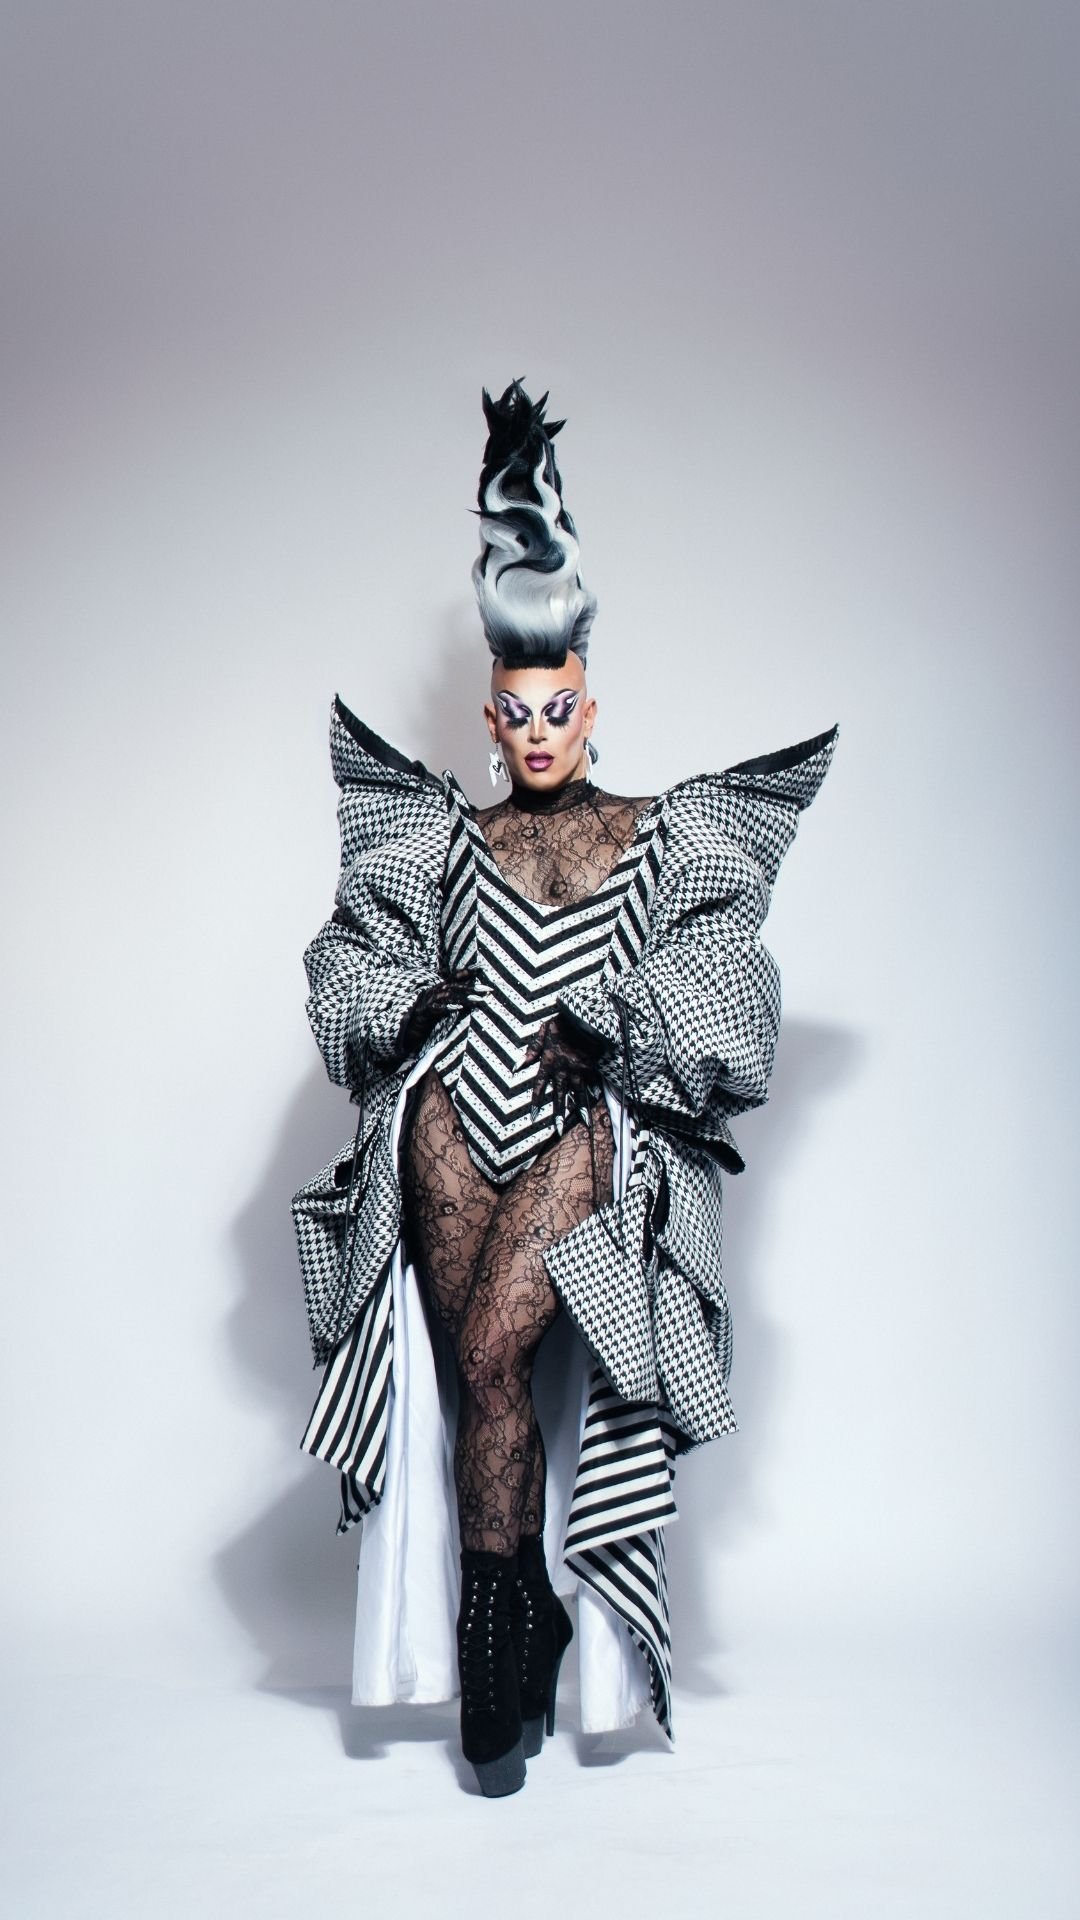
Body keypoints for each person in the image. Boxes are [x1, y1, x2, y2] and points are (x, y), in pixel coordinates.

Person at [292, 379, 838, 1796]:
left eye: (562, 709)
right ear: (494, 714)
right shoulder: (436, 837)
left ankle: (511, 1623)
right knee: (473, 1378)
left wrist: (625, 1028)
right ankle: (503, 1631)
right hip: (452, 1121)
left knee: (493, 1355)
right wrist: (410, 1003)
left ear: (592, 705)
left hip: (585, 1130)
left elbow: (738, 993)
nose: (540, 732)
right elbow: (348, 963)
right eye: (518, 713)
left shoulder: (668, 833)